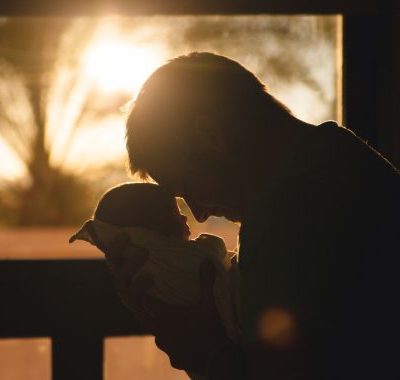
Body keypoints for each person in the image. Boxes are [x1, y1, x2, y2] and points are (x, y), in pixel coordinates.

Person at [103, 52, 400, 379]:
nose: (199, 215)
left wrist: (197, 346)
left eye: (186, 186)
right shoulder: (345, 158)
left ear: (210, 136)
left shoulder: (284, 214)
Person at [69, 183, 241, 352]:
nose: (187, 217)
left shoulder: (141, 273)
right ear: (147, 233)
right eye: (174, 214)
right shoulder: (176, 261)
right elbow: (218, 258)